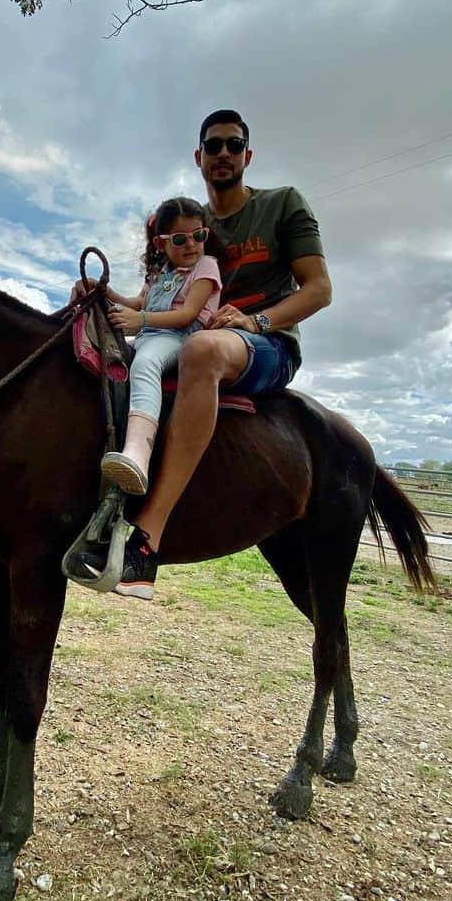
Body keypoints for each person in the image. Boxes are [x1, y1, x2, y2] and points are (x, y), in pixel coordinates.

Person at [71, 109, 332, 600]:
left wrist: (255, 321)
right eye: (214, 146)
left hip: (265, 342)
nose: (224, 154)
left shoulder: (282, 204)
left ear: (248, 156)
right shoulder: (189, 219)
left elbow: (319, 290)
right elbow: (158, 293)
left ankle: (148, 537)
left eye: (234, 146)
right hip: (189, 333)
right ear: (199, 157)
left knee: (202, 349)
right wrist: (105, 296)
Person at [100, 197, 223, 511]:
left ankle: (138, 454)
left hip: (182, 337)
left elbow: (188, 314)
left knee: (145, 364)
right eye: (180, 239)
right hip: (149, 333)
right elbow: (138, 303)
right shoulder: (159, 272)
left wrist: (139, 321)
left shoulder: (206, 267)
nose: (192, 245)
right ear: (162, 243)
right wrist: (106, 293)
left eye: (199, 236)